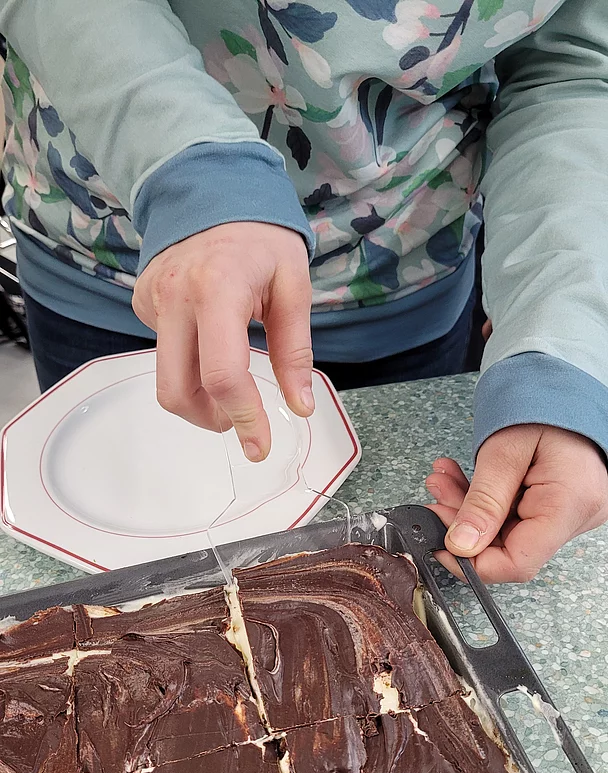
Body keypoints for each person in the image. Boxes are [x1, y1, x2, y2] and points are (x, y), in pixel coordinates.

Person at [0, 0, 606, 583]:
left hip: (405, 263)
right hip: (110, 243)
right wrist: (194, 178)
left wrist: (564, 350)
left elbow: (577, 67)